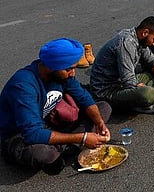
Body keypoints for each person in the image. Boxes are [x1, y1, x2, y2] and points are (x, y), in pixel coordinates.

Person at [0, 38, 112, 174]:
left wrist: (100, 123)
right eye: (69, 69)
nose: (73, 73)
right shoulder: (23, 86)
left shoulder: (61, 75)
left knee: (103, 108)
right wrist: (82, 138)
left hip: (47, 124)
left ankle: (65, 146)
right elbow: (32, 133)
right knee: (44, 154)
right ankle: (68, 147)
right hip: (20, 134)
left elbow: (84, 98)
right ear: (52, 66)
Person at [89, 16, 154, 114]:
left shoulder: (140, 40)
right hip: (107, 90)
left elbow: (152, 61)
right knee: (147, 94)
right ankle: (131, 105)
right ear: (145, 33)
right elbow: (128, 81)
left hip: (123, 82)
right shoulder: (126, 43)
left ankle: (140, 100)